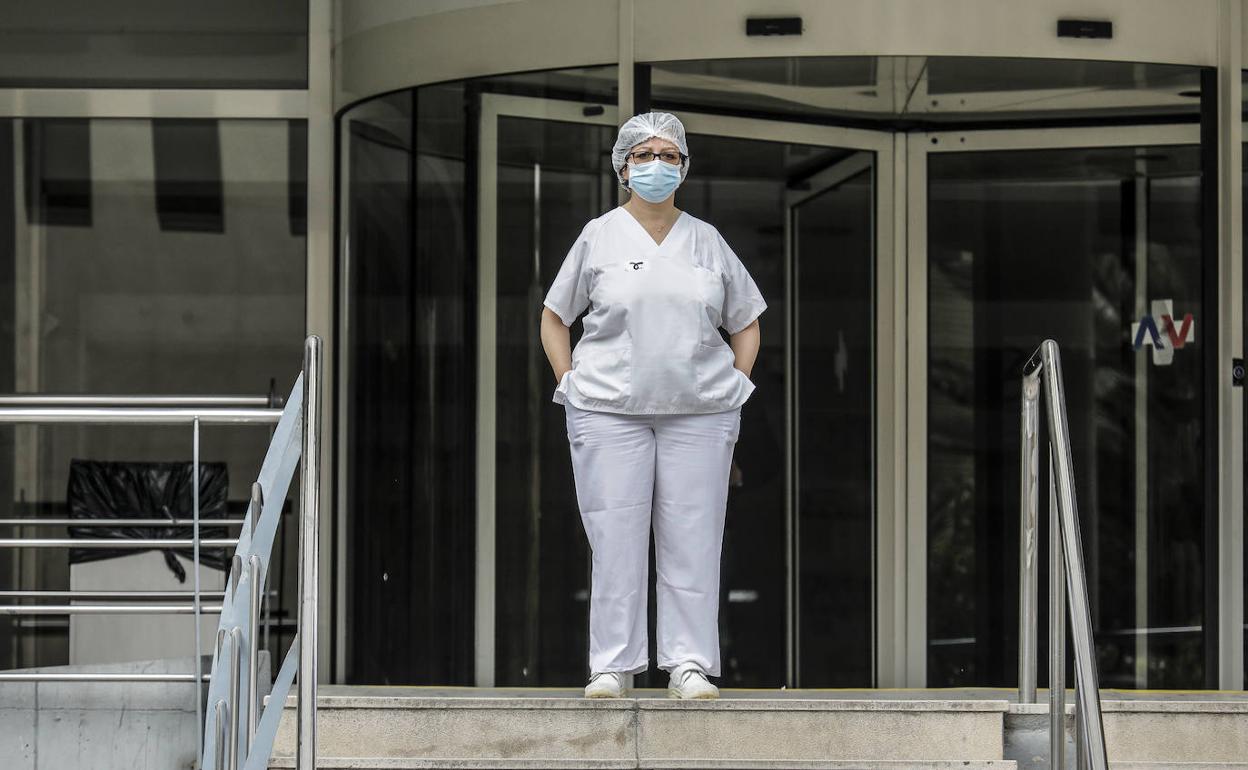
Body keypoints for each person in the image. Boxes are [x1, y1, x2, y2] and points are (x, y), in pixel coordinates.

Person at [538, 112, 767, 700]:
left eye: (669, 155)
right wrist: (569, 381)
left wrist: (733, 385)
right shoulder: (598, 235)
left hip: (698, 412)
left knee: (694, 533)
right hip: (608, 409)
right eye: (644, 155)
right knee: (614, 534)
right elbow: (554, 317)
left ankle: (688, 665)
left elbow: (746, 322)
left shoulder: (708, 240)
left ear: (685, 167)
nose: (657, 165)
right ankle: (612, 666)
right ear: (623, 166)